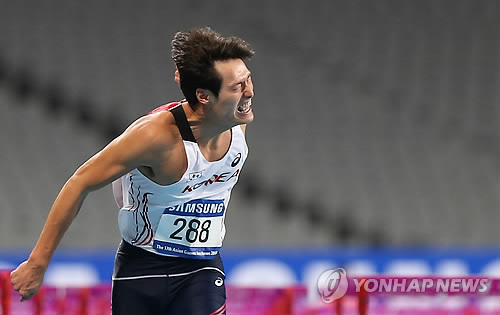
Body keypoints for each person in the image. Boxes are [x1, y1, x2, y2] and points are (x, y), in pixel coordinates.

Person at [10, 27, 255, 315]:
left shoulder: (237, 121)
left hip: (202, 269)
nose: (250, 91)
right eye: (237, 86)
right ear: (203, 96)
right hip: (141, 270)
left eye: (248, 79)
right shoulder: (155, 138)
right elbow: (80, 182)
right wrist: (38, 263)